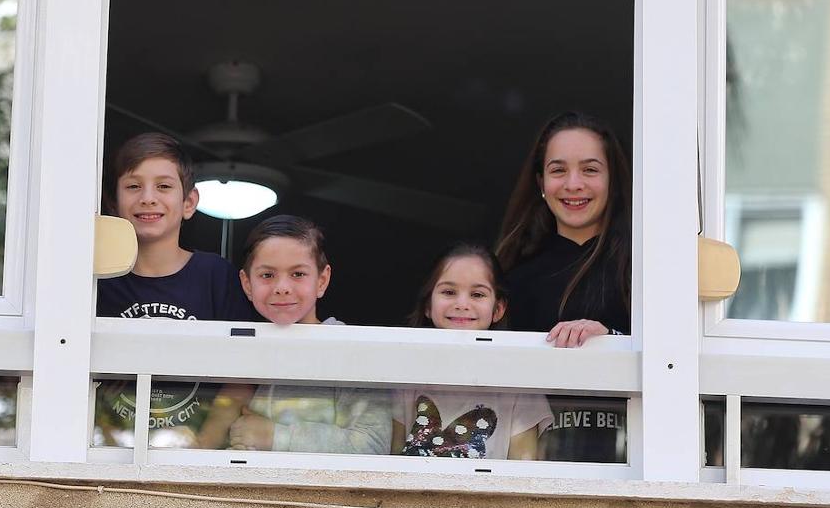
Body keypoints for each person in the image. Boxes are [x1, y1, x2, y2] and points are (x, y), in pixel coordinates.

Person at [93, 132, 255, 445]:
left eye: (164, 186)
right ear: (113, 202)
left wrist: (201, 448)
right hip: (111, 449)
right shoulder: (96, 283)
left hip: (196, 446)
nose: (148, 197)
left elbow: (242, 375)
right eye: (133, 186)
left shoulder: (216, 276)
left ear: (189, 203)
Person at [495, 111, 633, 462]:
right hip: (536, 463)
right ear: (541, 183)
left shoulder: (644, 269)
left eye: (589, 169)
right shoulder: (513, 277)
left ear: (613, 180)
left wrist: (612, 337)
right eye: (559, 170)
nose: (573, 184)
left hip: (631, 458)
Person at [214, 215, 391, 455]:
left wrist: (275, 436)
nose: (282, 287)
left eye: (297, 274)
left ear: (322, 280)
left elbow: (373, 444)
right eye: (267, 275)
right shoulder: (249, 349)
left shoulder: (352, 350)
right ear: (247, 284)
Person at [392, 244, 551, 460]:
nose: (462, 304)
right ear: (428, 305)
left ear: (498, 309)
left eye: (477, 294)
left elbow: (522, 479)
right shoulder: (403, 375)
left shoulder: (520, 385)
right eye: (449, 292)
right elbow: (391, 465)